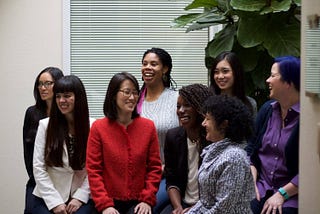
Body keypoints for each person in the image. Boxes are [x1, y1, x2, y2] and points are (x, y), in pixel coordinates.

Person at [86, 72, 162, 214]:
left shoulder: (148, 127)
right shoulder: (98, 127)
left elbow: (154, 168)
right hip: (107, 201)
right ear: (114, 95)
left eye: (135, 93)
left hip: (139, 201)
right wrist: (105, 205)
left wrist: (147, 199)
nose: (132, 97)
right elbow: (94, 170)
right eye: (127, 92)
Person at [32, 75, 96, 214]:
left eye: (67, 96)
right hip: (49, 195)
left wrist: (80, 196)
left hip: (82, 194)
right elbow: (38, 167)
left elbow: (96, 168)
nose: (61, 101)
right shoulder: (45, 125)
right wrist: (55, 202)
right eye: (58, 96)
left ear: (78, 98)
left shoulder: (94, 126)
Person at [246, 56, 300, 214]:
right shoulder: (267, 109)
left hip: (292, 194)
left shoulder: (308, 120)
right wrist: (252, 183)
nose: (268, 80)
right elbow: (251, 150)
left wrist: (282, 194)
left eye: (273, 75)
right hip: (261, 188)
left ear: (289, 82)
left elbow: (312, 169)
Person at [186, 95, 255, 213]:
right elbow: (205, 201)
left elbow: (222, 208)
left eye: (207, 119)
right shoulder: (215, 151)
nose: (203, 124)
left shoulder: (234, 158)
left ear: (223, 124)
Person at [137, 47, 179, 213]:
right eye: (145, 63)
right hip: (138, 175)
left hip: (169, 175)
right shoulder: (134, 100)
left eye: (154, 64)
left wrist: (165, 166)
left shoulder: (177, 99)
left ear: (165, 69)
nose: (148, 67)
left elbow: (187, 140)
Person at [161, 84, 213, 214]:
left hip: (208, 205)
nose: (180, 110)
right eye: (178, 106)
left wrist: (196, 209)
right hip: (183, 202)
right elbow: (171, 180)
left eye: (187, 105)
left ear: (200, 108)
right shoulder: (173, 137)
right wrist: (178, 207)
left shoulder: (212, 139)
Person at [23, 67, 64, 214]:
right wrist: (35, 177)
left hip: (61, 180)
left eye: (48, 83)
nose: (43, 88)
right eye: (40, 84)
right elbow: (27, 152)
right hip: (37, 178)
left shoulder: (66, 113)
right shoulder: (32, 113)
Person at [210, 51, 257, 118]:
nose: (220, 76)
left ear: (236, 72)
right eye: (216, 72)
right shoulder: (207, 100)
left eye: (225, 71)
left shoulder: (250, 103)